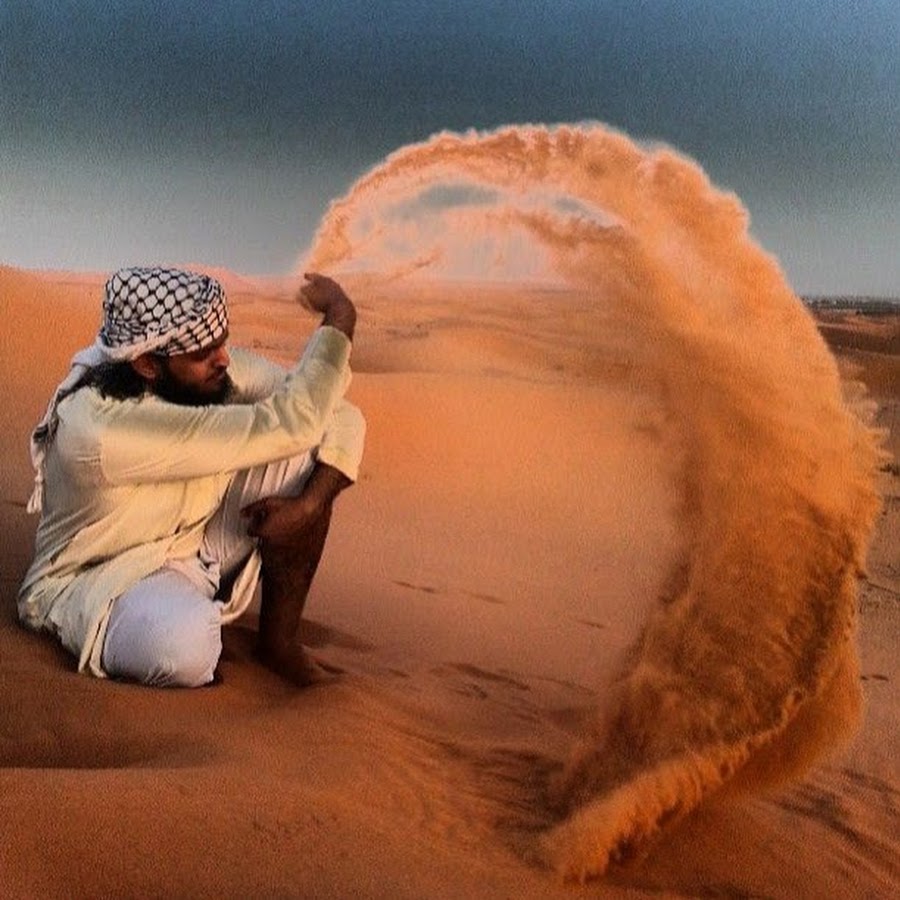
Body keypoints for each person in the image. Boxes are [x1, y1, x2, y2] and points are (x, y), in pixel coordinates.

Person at [18, 266, 365, 688]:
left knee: (314, 444)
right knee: (181, 648)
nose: (223, 360)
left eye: (223, 342)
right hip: (104, 580)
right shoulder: (103, 428)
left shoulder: (207, 374)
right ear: (147, 363)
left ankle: (279, 643)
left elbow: (332, 412)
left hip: (194, 544)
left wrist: (308, 506)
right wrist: (340, 318)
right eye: (203, 353)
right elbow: (292, 420)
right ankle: (186, 616)